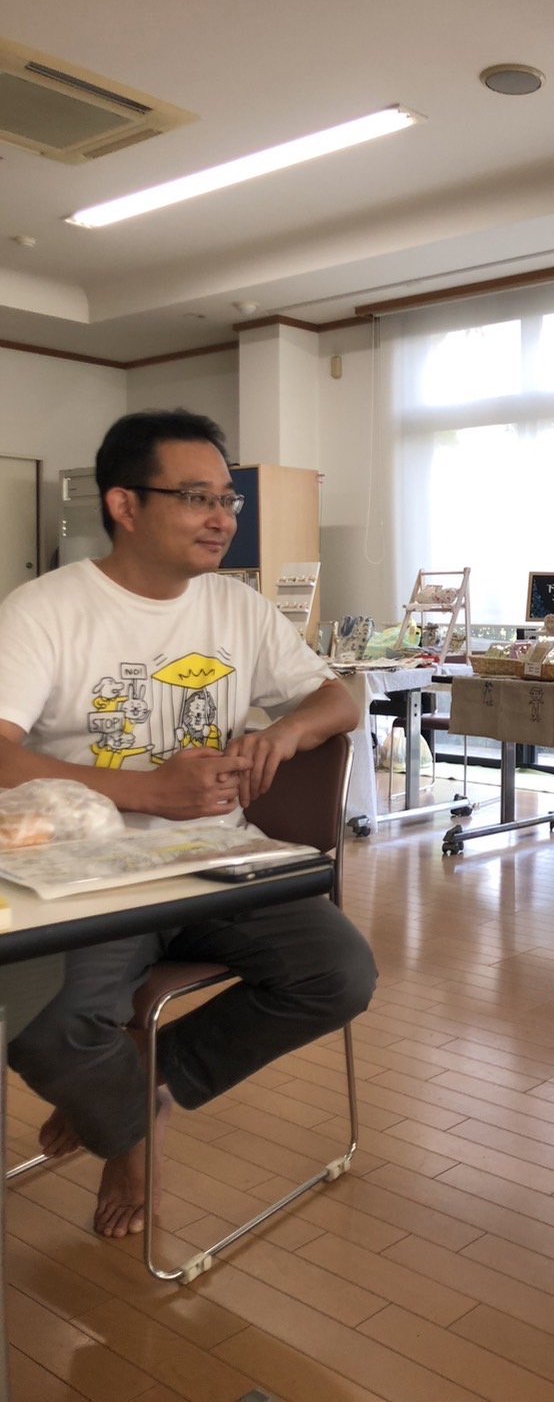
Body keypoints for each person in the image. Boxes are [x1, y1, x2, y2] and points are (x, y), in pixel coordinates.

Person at [0, 409, 377, 1237]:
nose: (222, 518)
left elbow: (338, 699)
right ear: (125, 505)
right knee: (46, 1027)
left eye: (227, 500)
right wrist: (147, 791)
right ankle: (128, 1127)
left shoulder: (236, 607)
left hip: (217, 860)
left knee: (340, 972)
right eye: (197, 497)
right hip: (90, 869)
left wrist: (281, 733)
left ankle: (140, 1087)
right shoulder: (45, 610)